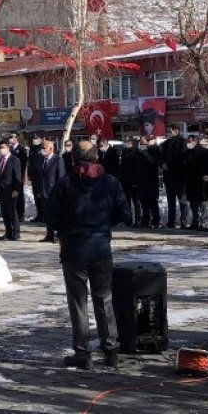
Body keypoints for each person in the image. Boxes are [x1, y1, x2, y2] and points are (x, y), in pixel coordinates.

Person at [46, 141, 130, 370]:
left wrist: (65, 227)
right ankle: (111, 350)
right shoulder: (110, 182)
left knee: (78, 303)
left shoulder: (65, 183)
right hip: (100, 248)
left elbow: (50, 217)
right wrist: (104, 224)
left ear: (73, 158)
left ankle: (83, 353)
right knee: (104, 300)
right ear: (97, 157)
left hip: (73, 249)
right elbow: (124, 213)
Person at [33, 140, 65, 243]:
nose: (42, 150)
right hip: (43, 191)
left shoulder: (58, 160)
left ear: (51, 149)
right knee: (47, 214)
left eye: (44, 148)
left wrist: (59, 192)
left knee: (55, 214)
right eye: (42, 148)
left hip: (53, 192)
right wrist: (39, 190)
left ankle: (57, 235)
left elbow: (61, 177)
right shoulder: (41, 159)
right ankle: (49, 235)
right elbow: (39, 176)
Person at [160, 125, 189, 228]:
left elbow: (183, 157)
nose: (169, 133)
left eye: (170, 131)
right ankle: (171, 221)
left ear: (176, 131)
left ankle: (184, 222)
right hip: (168, 176)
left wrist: (172, 164)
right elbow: (161, 156)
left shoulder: (183, 142)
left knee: (182, 200)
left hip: (179, 176)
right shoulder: (167, 142)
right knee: (170, 201)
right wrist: (162, 163)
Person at [0, 142, 23, 241]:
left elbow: (17, 176)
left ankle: (16, 232)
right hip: (1, 190)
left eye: (3, 147)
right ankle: (8, 232)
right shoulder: (0, 160)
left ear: (8, 148)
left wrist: (16, 189)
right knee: (4, 212)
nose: (1, 149)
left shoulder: (14, 160)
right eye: (0, 148)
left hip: (11, 190)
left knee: (12, 212)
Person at [137, 139, 162, 228]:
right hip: (142, 182)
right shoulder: (139, 153)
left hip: (151, 182)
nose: (142, 145)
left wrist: (145, 153)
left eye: (143, 144)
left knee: (153, 203)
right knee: (144, 203)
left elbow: (153, 162)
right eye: (141, 144)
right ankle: (145, 221)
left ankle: (156, 221)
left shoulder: (152, 151)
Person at [120, 138, 142, 225]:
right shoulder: (124, 152)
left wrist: (136, 181)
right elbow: (122, 168)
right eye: (126, 142)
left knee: (136, 202)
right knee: (127, 202)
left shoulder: (136, 152)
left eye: (128, 142)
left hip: (134, 181)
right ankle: (128, 220)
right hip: (126, 181)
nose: (126, 144)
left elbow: (137, 168)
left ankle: (138, 220)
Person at [27, 136, 47, 223]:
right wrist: (29, 175)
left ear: (40, 140)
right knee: (36, 196)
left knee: (41, 196)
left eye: (36, 138)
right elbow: (30, 163)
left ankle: (44, 216)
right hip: (34, 176)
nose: (34, 140)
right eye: (33, 138)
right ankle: (39, 215)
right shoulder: (32, 149)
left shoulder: (42, 148)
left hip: (41, 176)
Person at [9, 134, 29, 222]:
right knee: (12, 195)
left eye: (12, 137)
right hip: (10, 176)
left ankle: (21, 214)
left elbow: (24, 163)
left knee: (19, 195)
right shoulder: (10, 149)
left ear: (16, 138)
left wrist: (22, 176)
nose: (10, 139)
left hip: (18, 175)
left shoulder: (21, 149)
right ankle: (14, 213)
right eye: (10, 137)